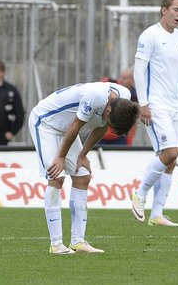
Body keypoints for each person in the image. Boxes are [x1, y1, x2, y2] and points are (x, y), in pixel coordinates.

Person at [30, 81, 139, 254]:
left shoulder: (123, 96)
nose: (109, 125)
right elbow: (76, 125)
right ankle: (56, 244)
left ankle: (78, 241)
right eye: (111, 122)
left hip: (67, 129)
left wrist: (82, 155)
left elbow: (101, 127)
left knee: (83, 177)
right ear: (108, 109)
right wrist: (61, 157)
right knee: (56, 178)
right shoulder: (94, 96)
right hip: (45, 123)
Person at [129, 0, 178, 227]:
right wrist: (143, 104)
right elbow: (138, 71)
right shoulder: (150, 35)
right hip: (156, 105)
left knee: (171, 159)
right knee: (170, 152)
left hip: (176, 107)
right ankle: (140, 194)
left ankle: (157, 214)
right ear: (164, 10)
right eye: (176, 10)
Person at [99, 66, 138, 145]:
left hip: (119, 137)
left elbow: (132, 124)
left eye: (124, 79)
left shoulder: (133, 97)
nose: (120, 80)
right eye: (121, 77)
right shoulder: (107, 83)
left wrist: (128, 142)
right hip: (99, 134)